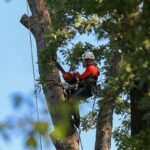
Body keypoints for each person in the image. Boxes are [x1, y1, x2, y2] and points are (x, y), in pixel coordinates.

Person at [63, 51, 99, 128]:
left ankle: (76, 121)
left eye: (85, 60)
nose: (84, 62)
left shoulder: (92, 68)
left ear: (89, 60)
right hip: (87, 89)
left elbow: (81, 77)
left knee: (72, 100)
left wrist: (76, 73)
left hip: (87, 88)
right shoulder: (91, 68)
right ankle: (75, 121)